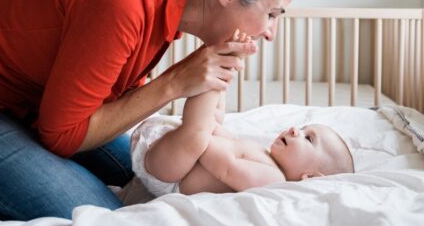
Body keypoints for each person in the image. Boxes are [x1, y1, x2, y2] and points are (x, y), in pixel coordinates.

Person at [0, 0, 299, 220]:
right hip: (3, 104)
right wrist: (173, 83)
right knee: (114, 217)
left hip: (30, 102)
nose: (270, 33)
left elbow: (109, 101)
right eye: (272, 14)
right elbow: (61, 137)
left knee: (151, 184)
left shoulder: (163, 10)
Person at [132, 30, 354, 197]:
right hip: (176, 158)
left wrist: (205, 130)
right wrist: (213, 124)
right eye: (304, 129)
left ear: (311, 177)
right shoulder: (264, 155)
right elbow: (227, 142)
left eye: (308, 138)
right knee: (214, 119)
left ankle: (223, 63)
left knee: (197, 132)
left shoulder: (273, 179)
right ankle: (224, 66)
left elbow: (227, 167)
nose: (296, 130)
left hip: (173, 175)